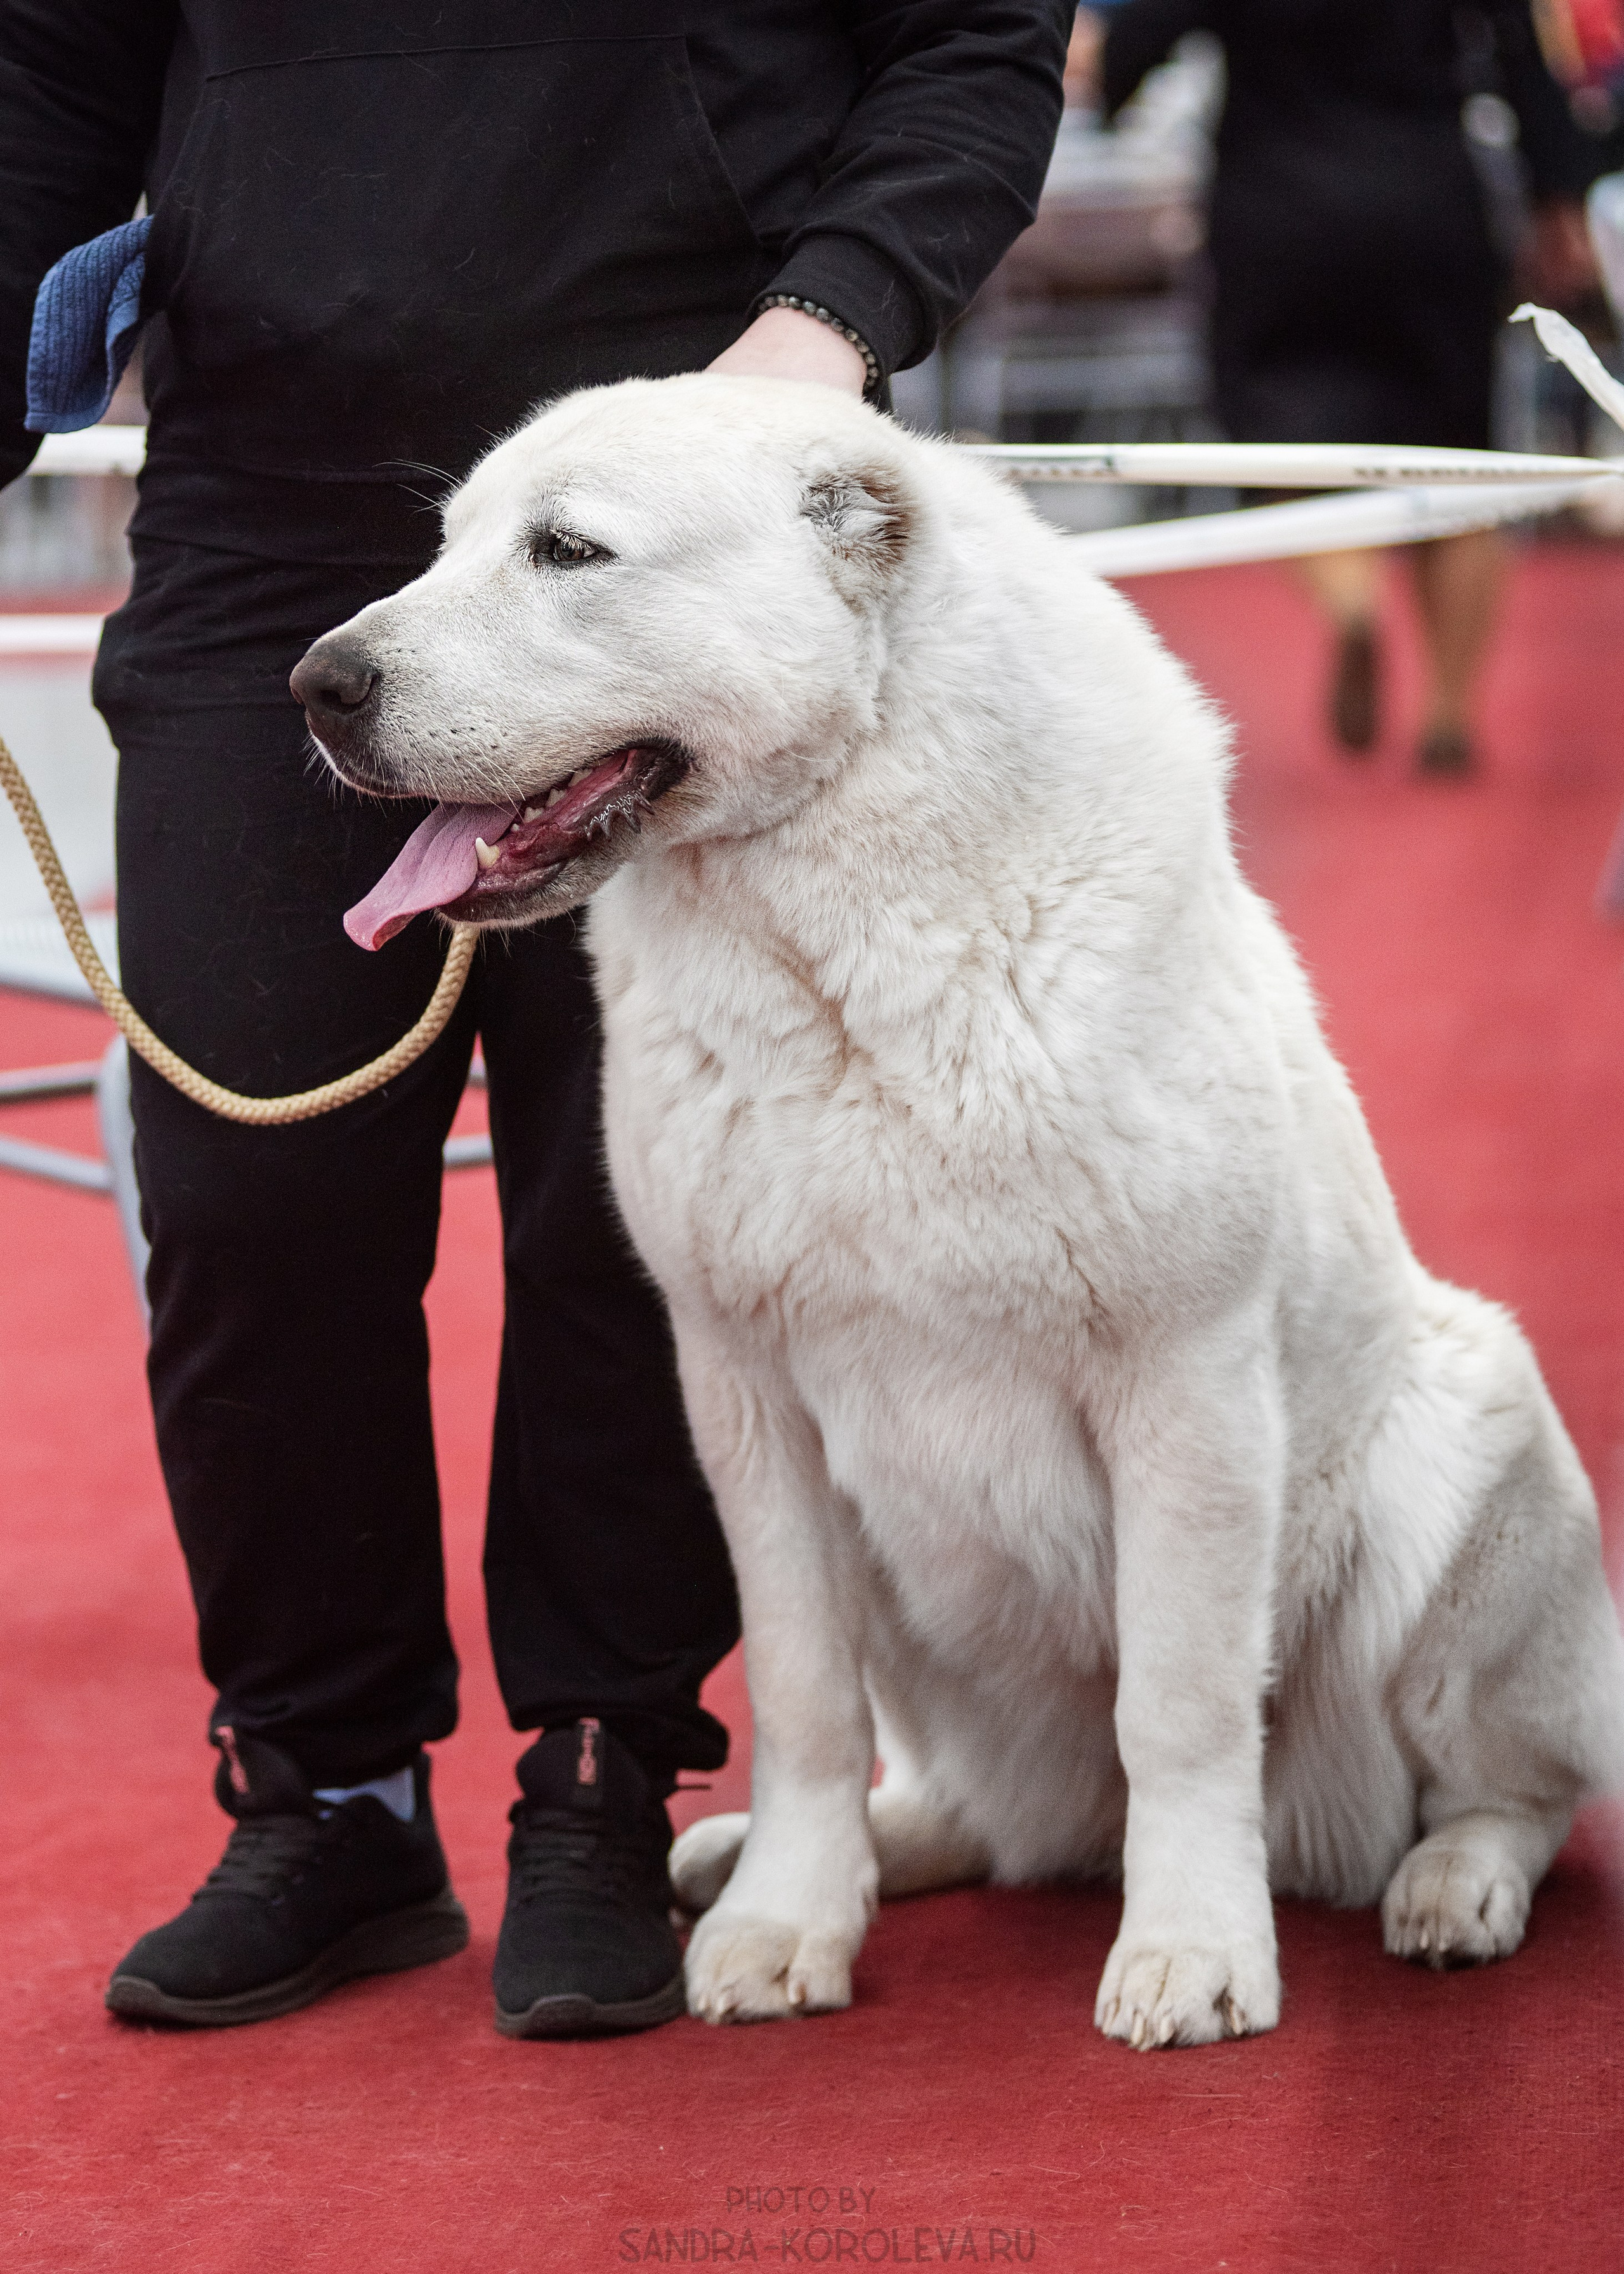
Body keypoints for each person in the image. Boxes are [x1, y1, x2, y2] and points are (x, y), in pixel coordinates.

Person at [0, 1, 1070, 2039]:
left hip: (678, 502)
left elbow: (974, 37)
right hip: (273, 511)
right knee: (249, 1198)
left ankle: (604, 1773)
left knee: (628, 1213)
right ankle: (328, 1793)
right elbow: (50, 74)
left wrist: (823, 324)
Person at [1098, 0, 1598, 773]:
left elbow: (1136, 46)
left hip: (1277, 208)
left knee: (1277, 443)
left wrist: (1101, 76)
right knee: (1462, 455)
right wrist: (1557, 199)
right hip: (1429, 199)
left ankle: (1352, 600)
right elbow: (1524, 61)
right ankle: (1449, 712)